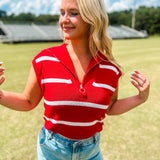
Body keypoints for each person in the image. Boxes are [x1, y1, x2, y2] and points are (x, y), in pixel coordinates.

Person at [0, 0, 150, 159]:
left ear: (91, 18)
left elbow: (110, 107)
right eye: (62, 12)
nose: (64, 19)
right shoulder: (44, 59)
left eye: (73, 13)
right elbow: (28, 101)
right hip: (51, 151)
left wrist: (141, 97)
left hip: (91, 152)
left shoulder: (109, 69)